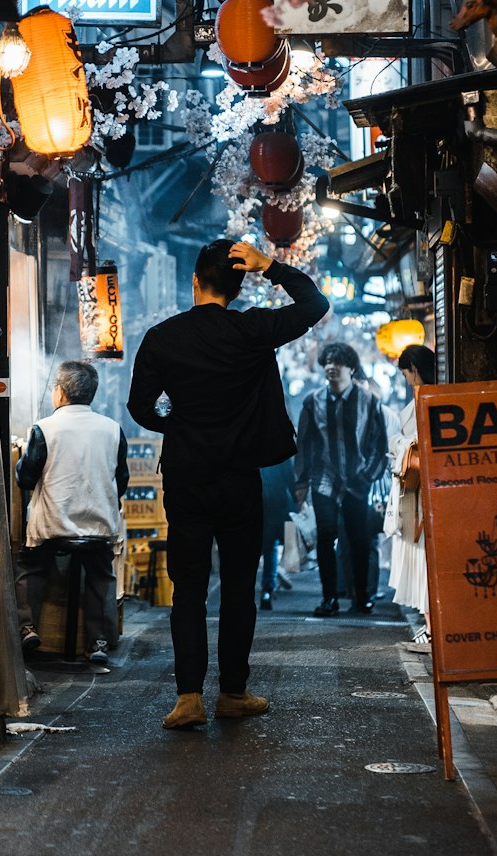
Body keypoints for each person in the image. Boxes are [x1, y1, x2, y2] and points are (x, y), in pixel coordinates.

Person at [127, 239, 329, 729]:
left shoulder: (162, 338)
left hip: (186, 478)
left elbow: (139, 407)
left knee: (189, 589)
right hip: (240, 479)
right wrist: (271, 266)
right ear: (237, 289)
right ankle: (233, 693)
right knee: (239, 587)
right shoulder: (253, 330)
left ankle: (189, 698)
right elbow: (315, 304)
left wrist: (174, 424)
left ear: (194, 281)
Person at [15, 360, 129, 666]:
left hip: (53, 526)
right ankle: (98, 641)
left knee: (32, 565)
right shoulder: (113, 429)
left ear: (61, 393)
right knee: (100, 573)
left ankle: (27, 628)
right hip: (99, 525)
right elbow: (122, 482)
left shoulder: (43, 429)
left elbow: (25, 478)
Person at [294, 342, 388, 616]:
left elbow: (378, 443)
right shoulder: (313, 401)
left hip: (358, 480)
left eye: (337, 362)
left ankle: (362, 597)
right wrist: (301, 485)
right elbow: (305, 445)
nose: (331, 367)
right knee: (326, 537)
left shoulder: (369, 401)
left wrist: (368, 476)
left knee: (359, 539)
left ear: (351, 367)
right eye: (327, 362)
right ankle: (329, 598)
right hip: (324, 479)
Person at [385, 342, 436, 652]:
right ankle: (428, 624)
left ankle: (431, 627)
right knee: (417, 557)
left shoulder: (424, 400)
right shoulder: (425, 399)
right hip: (412, 491)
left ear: (414, 371)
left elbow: (418, 445)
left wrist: (398, 443)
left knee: (420, 558)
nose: (405, 379)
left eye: (405, 373)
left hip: (416, 492)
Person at [259, 456, 296, 610]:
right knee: (280, 545)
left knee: (266, 547)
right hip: (279, 502)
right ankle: (272, 580)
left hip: (259, 502)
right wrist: (297, 500)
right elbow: (289, 477)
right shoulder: (278, 447)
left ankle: (266, 587)